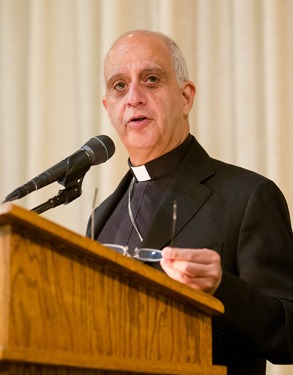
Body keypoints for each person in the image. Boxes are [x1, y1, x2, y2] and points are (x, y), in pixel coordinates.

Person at [87, 30, 293, 374]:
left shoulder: (248, 196)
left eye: (151, 79)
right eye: (119, 85)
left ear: (185, 97)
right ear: (109, 108)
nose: (134, 97)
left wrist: (221, 288)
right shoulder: (101, 216)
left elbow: (289, 335)